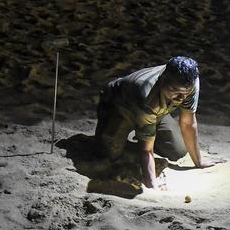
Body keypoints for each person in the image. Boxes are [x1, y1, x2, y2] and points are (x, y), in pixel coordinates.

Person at [94, 56, 220, 189]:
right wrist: (152, 185)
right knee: (110, 154)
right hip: (119, 106)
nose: (180, 98)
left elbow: (188, 123)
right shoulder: (146, 94)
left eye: (185, 93)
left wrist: (199, 162)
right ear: (163, 80)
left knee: (177, 150)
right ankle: (122, 137)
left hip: (157, 111)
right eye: (175, 91)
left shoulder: (191, 81)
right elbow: (147, 150)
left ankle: (143, 135)